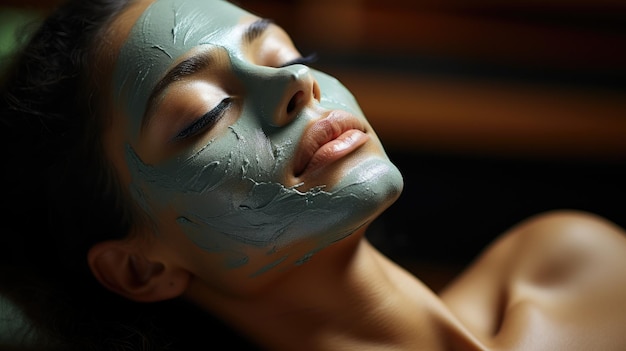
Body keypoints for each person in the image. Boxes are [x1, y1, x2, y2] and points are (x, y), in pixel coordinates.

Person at [1, 0, 625, 350]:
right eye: (206, 114)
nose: (293, 84)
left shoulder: (578, 265)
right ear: (143, 268)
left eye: (288, 56)